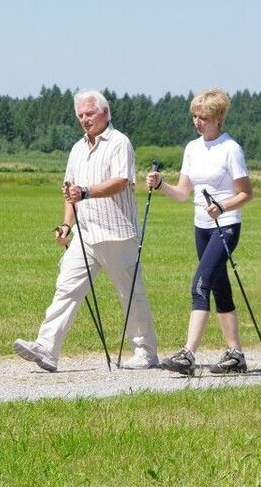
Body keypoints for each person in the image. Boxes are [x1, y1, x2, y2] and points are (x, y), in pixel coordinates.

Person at [13, 90, 159, 371]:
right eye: (80, 115)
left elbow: (121, 182)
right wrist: (66, 224)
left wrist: (86, 191)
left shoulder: (119, 143)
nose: (84, 119)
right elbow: (71, 191)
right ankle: (47, 348)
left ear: (105, 113)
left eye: (89, 114)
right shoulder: (77, 149)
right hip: (86, 234)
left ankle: (145, 352)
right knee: (66, 288)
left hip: (118, 233)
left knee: (130, 295)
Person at [145, 88, 253, 375]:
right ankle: (236, 355)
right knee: (219, 287)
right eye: (194, 116)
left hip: (226, 226)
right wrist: (160, 185)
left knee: (200, 285)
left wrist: (222, 205)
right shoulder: (192, 148)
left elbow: (246, 194)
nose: (197, 122)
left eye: (203, 117)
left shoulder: (231, 149)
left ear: (218, 118)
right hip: (201, 227)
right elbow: (182, 193)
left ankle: (188, 354)